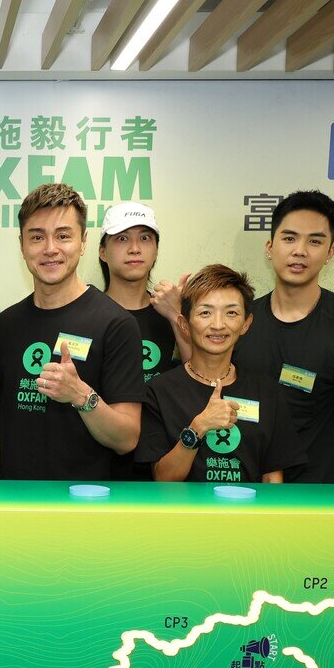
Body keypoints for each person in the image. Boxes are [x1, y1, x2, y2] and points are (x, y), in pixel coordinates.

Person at [0, 183, 144, 480]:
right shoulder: (5, 325)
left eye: (63, 236)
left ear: (83, 242)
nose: (50, 249)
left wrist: (81, 395)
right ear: (22, 245)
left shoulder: (116, 325)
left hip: (82, 501)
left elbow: (127, 438)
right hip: (12, 500)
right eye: (37, 237)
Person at [234, 190, 334, 483]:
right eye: (289, 238)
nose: (300, 251)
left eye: (315, 241)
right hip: (243, 493)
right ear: (270, 247)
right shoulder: (240, 320)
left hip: (318, 495)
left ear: (330, 252)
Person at [137, 265, 304, 484]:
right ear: (184, 324)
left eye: (231, 313)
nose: (218, 325)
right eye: (205, 313)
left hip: (249, 507)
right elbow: (163, 478)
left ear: (246, 324)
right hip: (185, 507)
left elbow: (273, 478)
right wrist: (199, 426)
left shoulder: (266, 392)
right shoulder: (159, 391)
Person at [98, 202, 188, 480]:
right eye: (122, 239)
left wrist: (176, 316)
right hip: (99, 455)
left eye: (145, 238)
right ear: (103, 252)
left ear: (156, 250)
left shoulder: (171, 310)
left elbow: (200, 377)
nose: (135, 248)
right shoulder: (87, 313)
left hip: (163, 458)